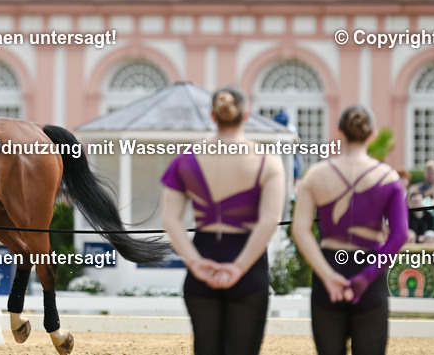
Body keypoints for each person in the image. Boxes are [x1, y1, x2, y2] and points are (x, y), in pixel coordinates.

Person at [161, 86, 284, 355]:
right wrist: (238, 268)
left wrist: (194, 262)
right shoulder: (267, 161)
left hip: (202, 259)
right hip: (248, 267)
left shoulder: (185, 160)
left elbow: (170, 220)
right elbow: (269, 222)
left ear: (213, 116)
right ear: (246, 115)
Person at [292, 105, 406, 355]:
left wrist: (328, 275)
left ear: (339, 132)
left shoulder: (316, 175)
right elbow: (399, 235)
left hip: (328, 272)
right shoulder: (388, 177)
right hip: (370, 274)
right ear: (373, 135)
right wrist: (367, 277)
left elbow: (300, 230)